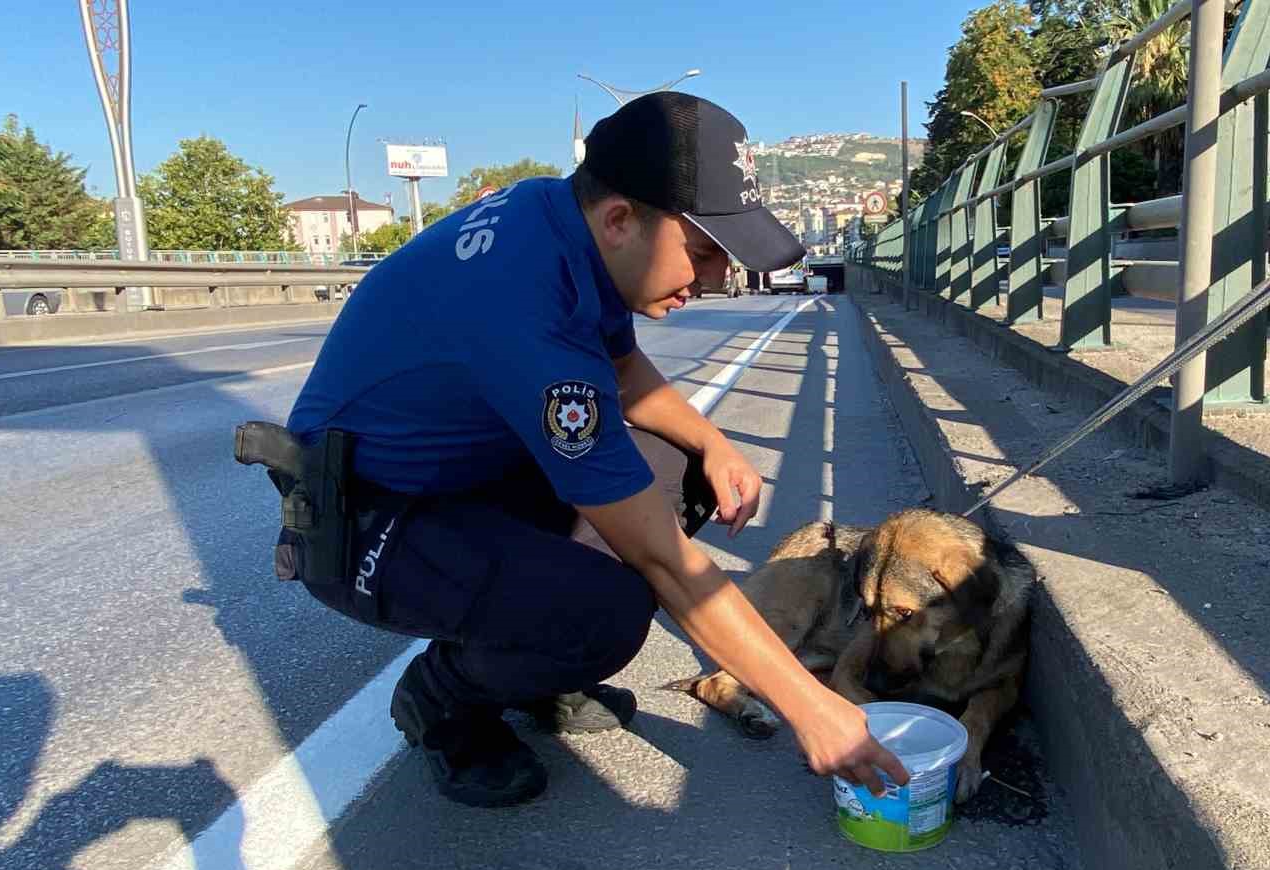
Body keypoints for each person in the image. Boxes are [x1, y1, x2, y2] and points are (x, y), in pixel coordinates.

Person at [278, 91, 908, 807]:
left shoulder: (562, 219)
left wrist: (714, 442)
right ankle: (443, 699)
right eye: (702, 253)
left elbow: (621, 365)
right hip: (366, 518)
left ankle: (541, 664)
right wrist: (813, 708)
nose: (712, 281)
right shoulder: (526, 309)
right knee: (606, 613)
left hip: (456, 477)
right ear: (620, 219)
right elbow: (661, 560)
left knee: (682, 468)